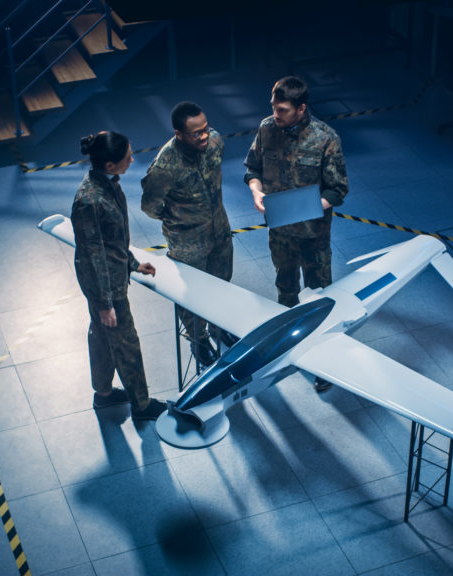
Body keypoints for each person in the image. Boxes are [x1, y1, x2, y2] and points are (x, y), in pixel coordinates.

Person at [244, 75, 349, 391]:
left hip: (313, 236)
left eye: (283, 110)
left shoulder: (326, 139)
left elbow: (339, 189)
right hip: (280, 233)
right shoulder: (266, 129)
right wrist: (256, 192)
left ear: (301, 109)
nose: (276, 115)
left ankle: (325, 365)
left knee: (319, 297)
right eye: (274, 108)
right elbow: (253, 169)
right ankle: (286, 351)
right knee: (285, 290)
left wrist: (311, 206)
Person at [71, 130, 167, 421]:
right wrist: (105, 304)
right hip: (106, 289)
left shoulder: (108, 184)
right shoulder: (91, 201)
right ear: (110, 164)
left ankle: (103, 394)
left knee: (102, 337)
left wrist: (132, 263)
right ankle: (141, 405)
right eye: (127, 157)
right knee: (125, 343)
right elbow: (92, 255)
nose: (132, 159)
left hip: (111, 279)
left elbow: (113, 241)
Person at [141, 101, 236, 367]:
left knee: (221, 281)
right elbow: (149, 206)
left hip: (219, 230)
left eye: (206, 129)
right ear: (179, 134)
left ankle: (220, 325)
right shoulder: (165, 166)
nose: (205, 136)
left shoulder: (215, 142)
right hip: (187, 242)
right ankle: (198, 338)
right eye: (197, 133)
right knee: (191, 293)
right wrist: (177, 220)